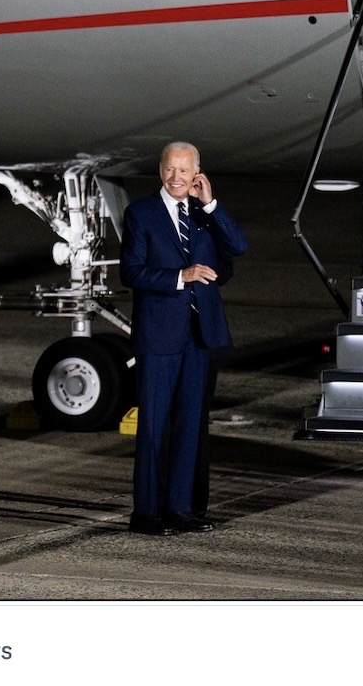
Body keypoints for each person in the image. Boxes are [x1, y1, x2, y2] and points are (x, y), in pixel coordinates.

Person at [119, 142, 247, 536]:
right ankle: (147, 515)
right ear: (160, 171)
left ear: (197, 174)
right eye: (170, 170)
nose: (177, 178)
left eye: (184, 171)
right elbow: (132, 273)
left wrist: (211, 206)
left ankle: (182, 509)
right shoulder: (141, 213)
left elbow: (238, 247)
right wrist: (181, 276)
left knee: (192, 425)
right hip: (160, 335)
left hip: (201, 335)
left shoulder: (204, 215)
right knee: (155, 426)